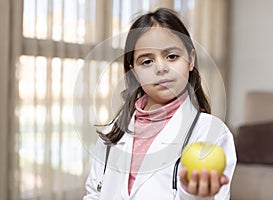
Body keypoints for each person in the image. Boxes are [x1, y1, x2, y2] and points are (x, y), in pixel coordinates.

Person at [83, 8, 236, 200]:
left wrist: (197, 195)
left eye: (171, 56)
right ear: (135, 72)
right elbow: (94, 194)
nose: (161, 68)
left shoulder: (211, 133)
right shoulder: (113, 132)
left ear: (190, 60)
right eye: (147, 61)